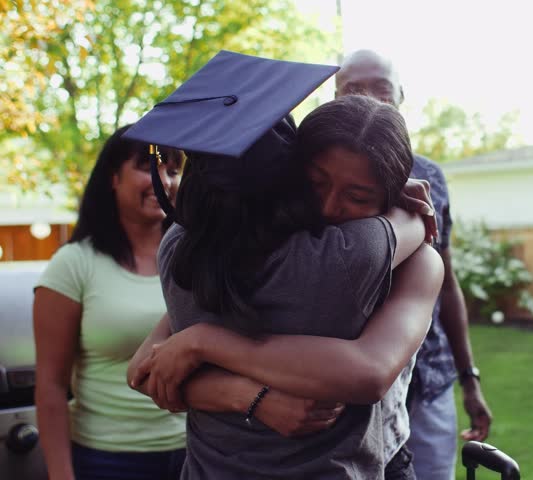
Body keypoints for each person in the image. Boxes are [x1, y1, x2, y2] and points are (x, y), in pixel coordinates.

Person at [125, 51, 443, 479]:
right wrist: (403, 205)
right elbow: (368, 372)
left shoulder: (179, 250)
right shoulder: (352, 254)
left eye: (358, 195)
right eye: (317, 183)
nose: (331, 207)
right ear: (291, 174)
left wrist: (206, 346)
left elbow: (145, 369)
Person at [335, 49, 493, 479]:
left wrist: (470, 379)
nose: (370, 99)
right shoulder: (317, 182)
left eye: (382, 89)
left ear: (402, 96)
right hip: (348, 388)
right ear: (332, 99)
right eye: (354, 89)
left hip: (430, 383)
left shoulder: (432, 176)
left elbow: (448, 283)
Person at [33, 125, 186, 480]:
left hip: (194, 453)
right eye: (147, 165)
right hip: (108, 461)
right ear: (113, 177)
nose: (163, 179)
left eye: (173, 169)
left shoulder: (193, 259)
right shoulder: (73, 265)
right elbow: (51, 387)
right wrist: (60, 474)